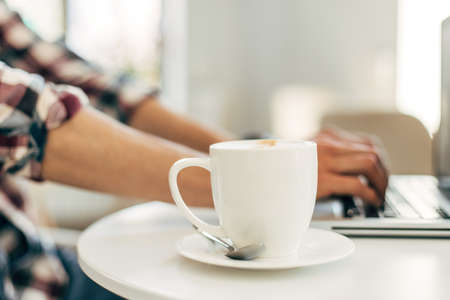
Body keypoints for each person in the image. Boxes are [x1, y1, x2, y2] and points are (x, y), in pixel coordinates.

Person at [0, 1, 389, 299]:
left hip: (49, 267)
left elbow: (98, 88)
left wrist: (254, 154)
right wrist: (270, 181)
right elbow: (29, 120)